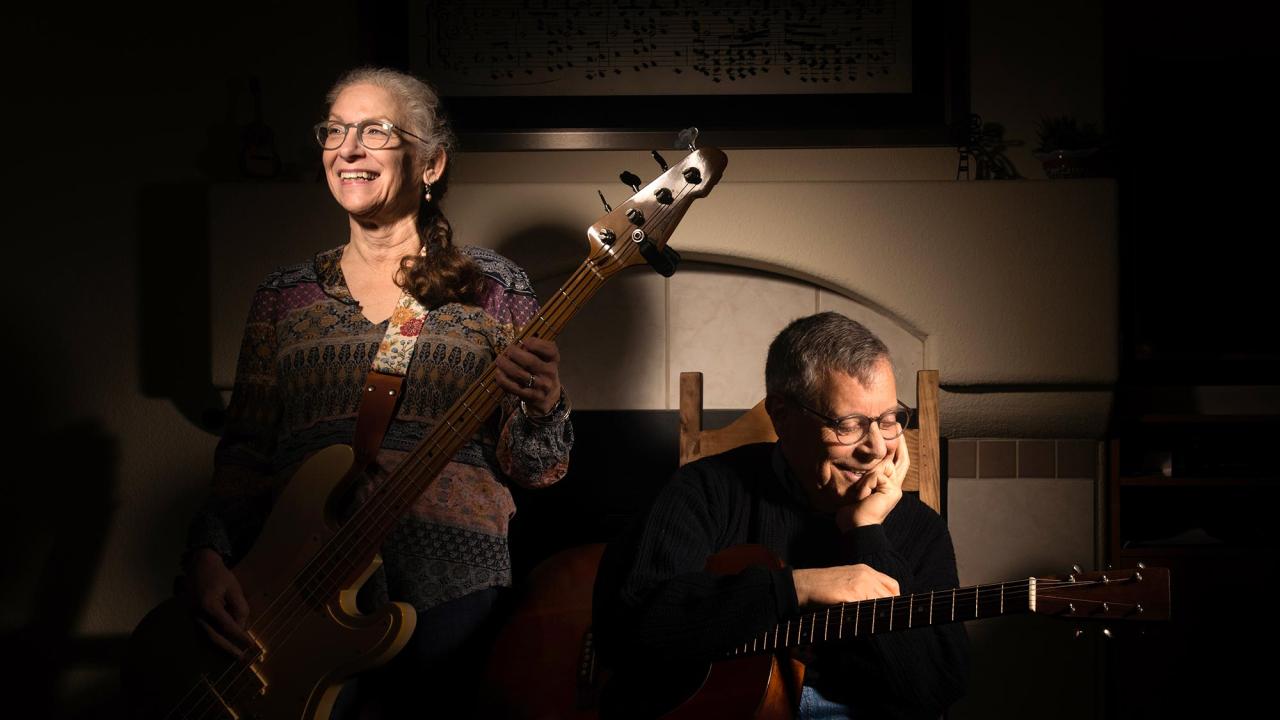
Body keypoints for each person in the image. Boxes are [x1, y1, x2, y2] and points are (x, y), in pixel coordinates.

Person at [182, 67, 574, 716]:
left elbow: (539, 469)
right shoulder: (285, 296)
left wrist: (544, 403)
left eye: (375, 131)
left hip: (453, 601)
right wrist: (207, 554)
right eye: (334, 130)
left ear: (431, 162)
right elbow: (246, 458)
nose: (348, 148)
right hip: (300, 595)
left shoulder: (491, 287)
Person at [593, 312, 968, 719]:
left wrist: (867, 532)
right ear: (782, 415)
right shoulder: (706, 491)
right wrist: (795, 589)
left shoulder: (920, 528)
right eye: (850, 425)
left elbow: (935, 688)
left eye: (888, 420)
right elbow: (632, 628)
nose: (876, 448)